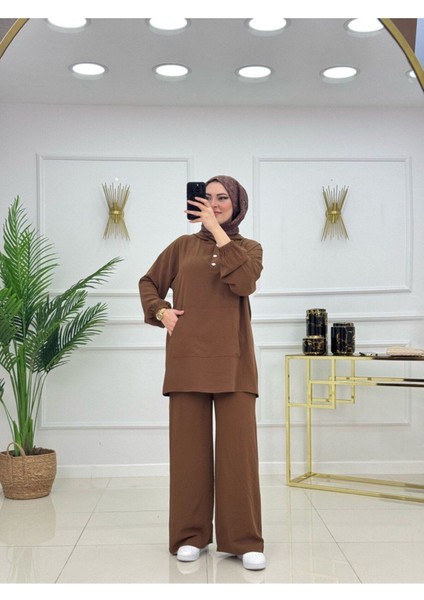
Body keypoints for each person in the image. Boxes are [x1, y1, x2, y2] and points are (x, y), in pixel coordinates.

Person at [138, 175, 266, 571]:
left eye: (222, 197)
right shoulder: (182, 246)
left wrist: (216, 231)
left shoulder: (249, 249)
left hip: (234, 362)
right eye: (207, 198)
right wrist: (161, 311)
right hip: (187, 359)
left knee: (238, 456)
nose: (214, 204)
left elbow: (243, 283)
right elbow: (149, 282)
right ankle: (190, 536)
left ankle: (243, 540)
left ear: (237, 203)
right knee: (188, 454)